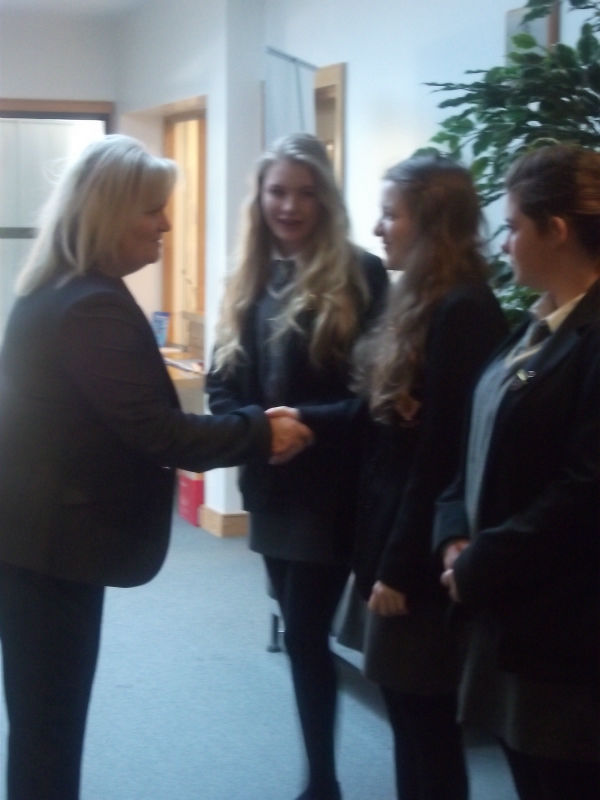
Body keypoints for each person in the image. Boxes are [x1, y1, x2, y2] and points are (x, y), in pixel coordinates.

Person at [0, 134, 312, 800]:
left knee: (41, 723)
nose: (167, 223)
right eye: (152, 210)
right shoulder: (91, 305)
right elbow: (159, 431)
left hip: (35, 540)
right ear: (110, 213)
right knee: (49, 728)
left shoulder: (60, 289)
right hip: (50, 548)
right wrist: (261, 431)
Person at [284, 154, 508, 799]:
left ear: (432, 224)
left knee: (424, 723)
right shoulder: (420, 298)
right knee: (408, 714)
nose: (379, 229)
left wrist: (400, 567)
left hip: (416, 558)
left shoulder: (462, 310)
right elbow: (380, 418)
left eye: (391, 215)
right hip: (392, 538)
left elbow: (440, 457)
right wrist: (303, 418)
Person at [205, 132, 388, 800]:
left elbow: (376, 396)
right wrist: (257, 432)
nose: (290, 206)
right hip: (269, 484)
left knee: (306, 632)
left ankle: (322, 781)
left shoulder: (362, 275)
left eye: (306, 193)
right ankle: (322, 776)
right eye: (277, 191)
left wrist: (299, 424)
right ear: (259, 196)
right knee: (296, 626)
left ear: (326, 199)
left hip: (328, 487)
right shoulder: (248, 276)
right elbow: (222, 383)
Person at [436, 144, 600, 800]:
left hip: (565, 624)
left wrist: (481, 562)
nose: (503, 245)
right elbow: (474, 441)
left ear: (556, 230)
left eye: (512, 227)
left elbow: (586, 491)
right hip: (509, 606)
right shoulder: (535, 325)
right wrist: (452, 530)